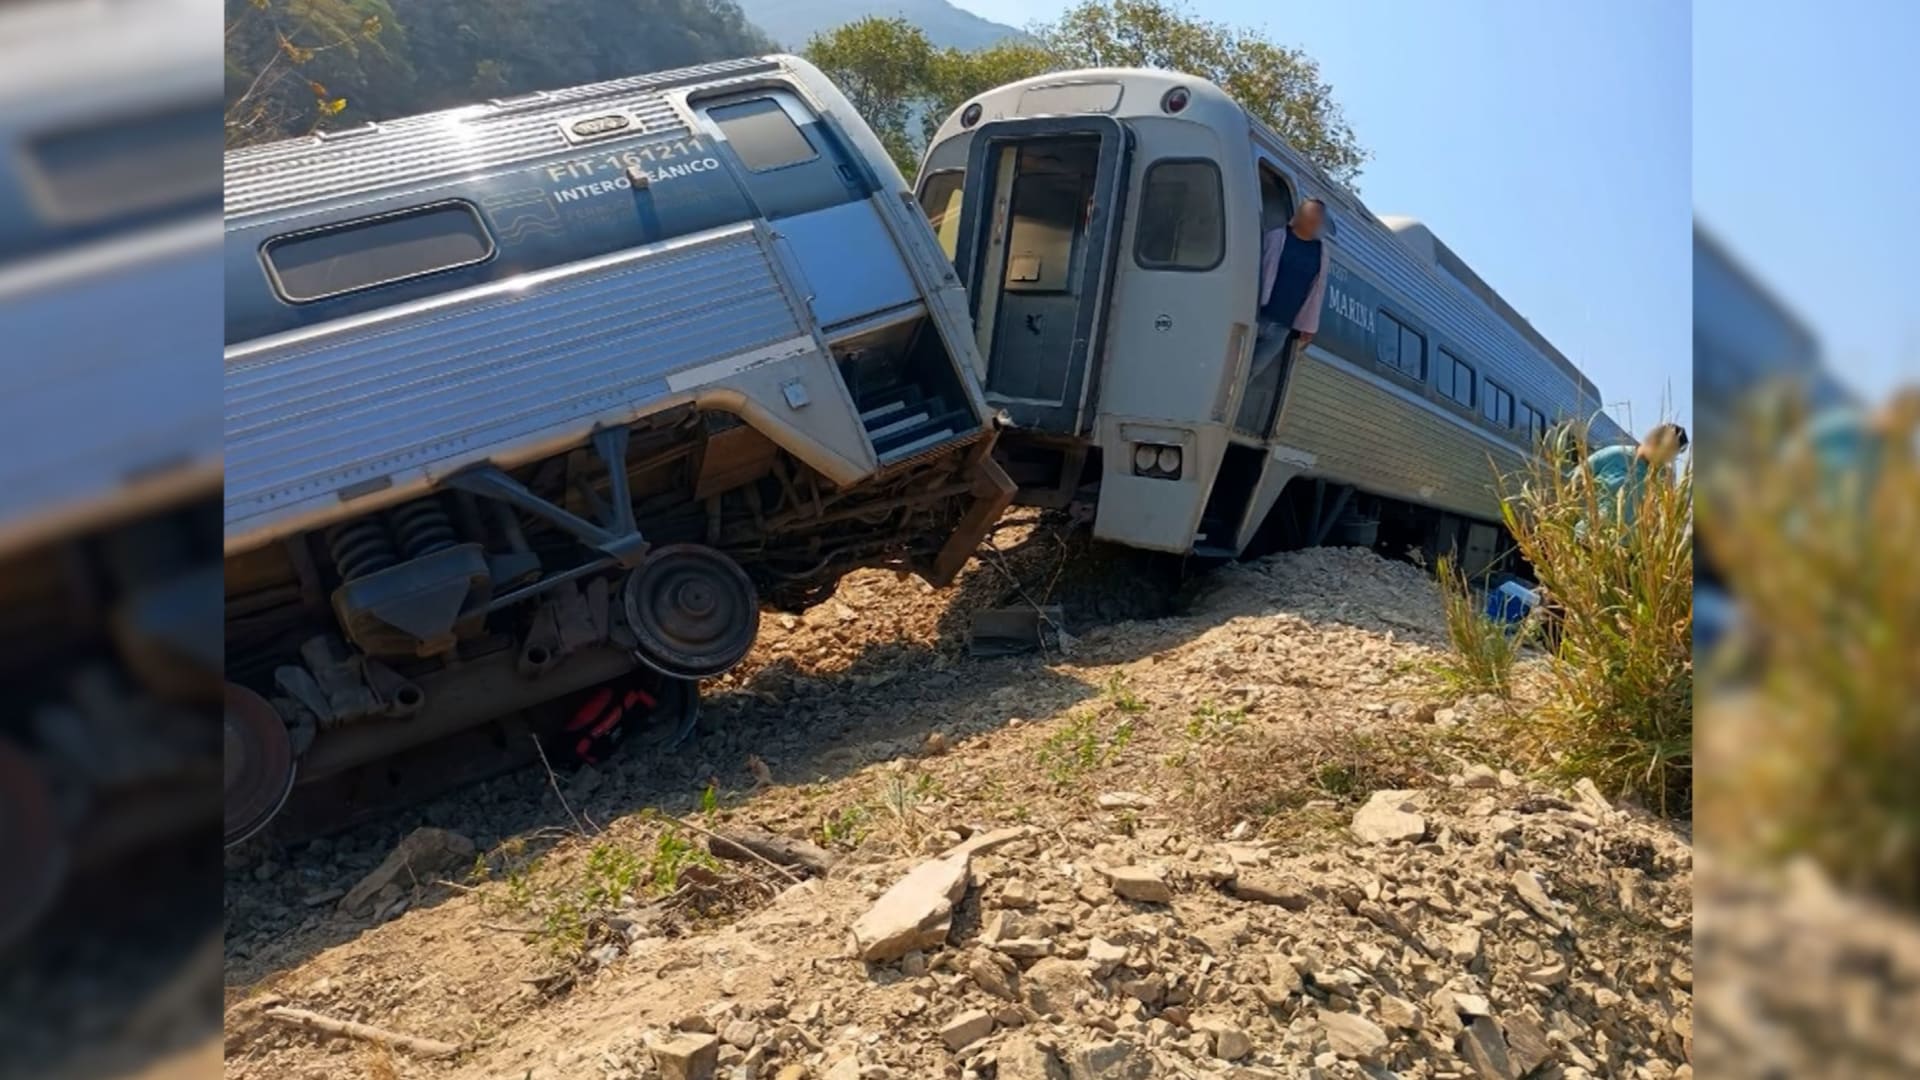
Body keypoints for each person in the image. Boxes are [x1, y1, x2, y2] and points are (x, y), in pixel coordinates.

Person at [1237, 198, 1331, 432]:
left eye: (1316, 220)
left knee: (1251, 371)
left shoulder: (1321, 252)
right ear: (1297, 216)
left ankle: (1228, 411)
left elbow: (1317, 290)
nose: (1312, 223)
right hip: (1256, 312)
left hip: (1282, 326)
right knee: (1234, 363)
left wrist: (1309, 326)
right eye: (1308, 218)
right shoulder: (1276, 237)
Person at [1582, 422, 1689, 528]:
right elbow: (1575, 480)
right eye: (1665, 449)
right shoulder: (1615, 454)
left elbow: (1662, 515)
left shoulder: (1663, 478)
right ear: (1654, 440)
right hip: (1586, 536)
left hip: (1625, 544)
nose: (1666, 458)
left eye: (1671, 455)